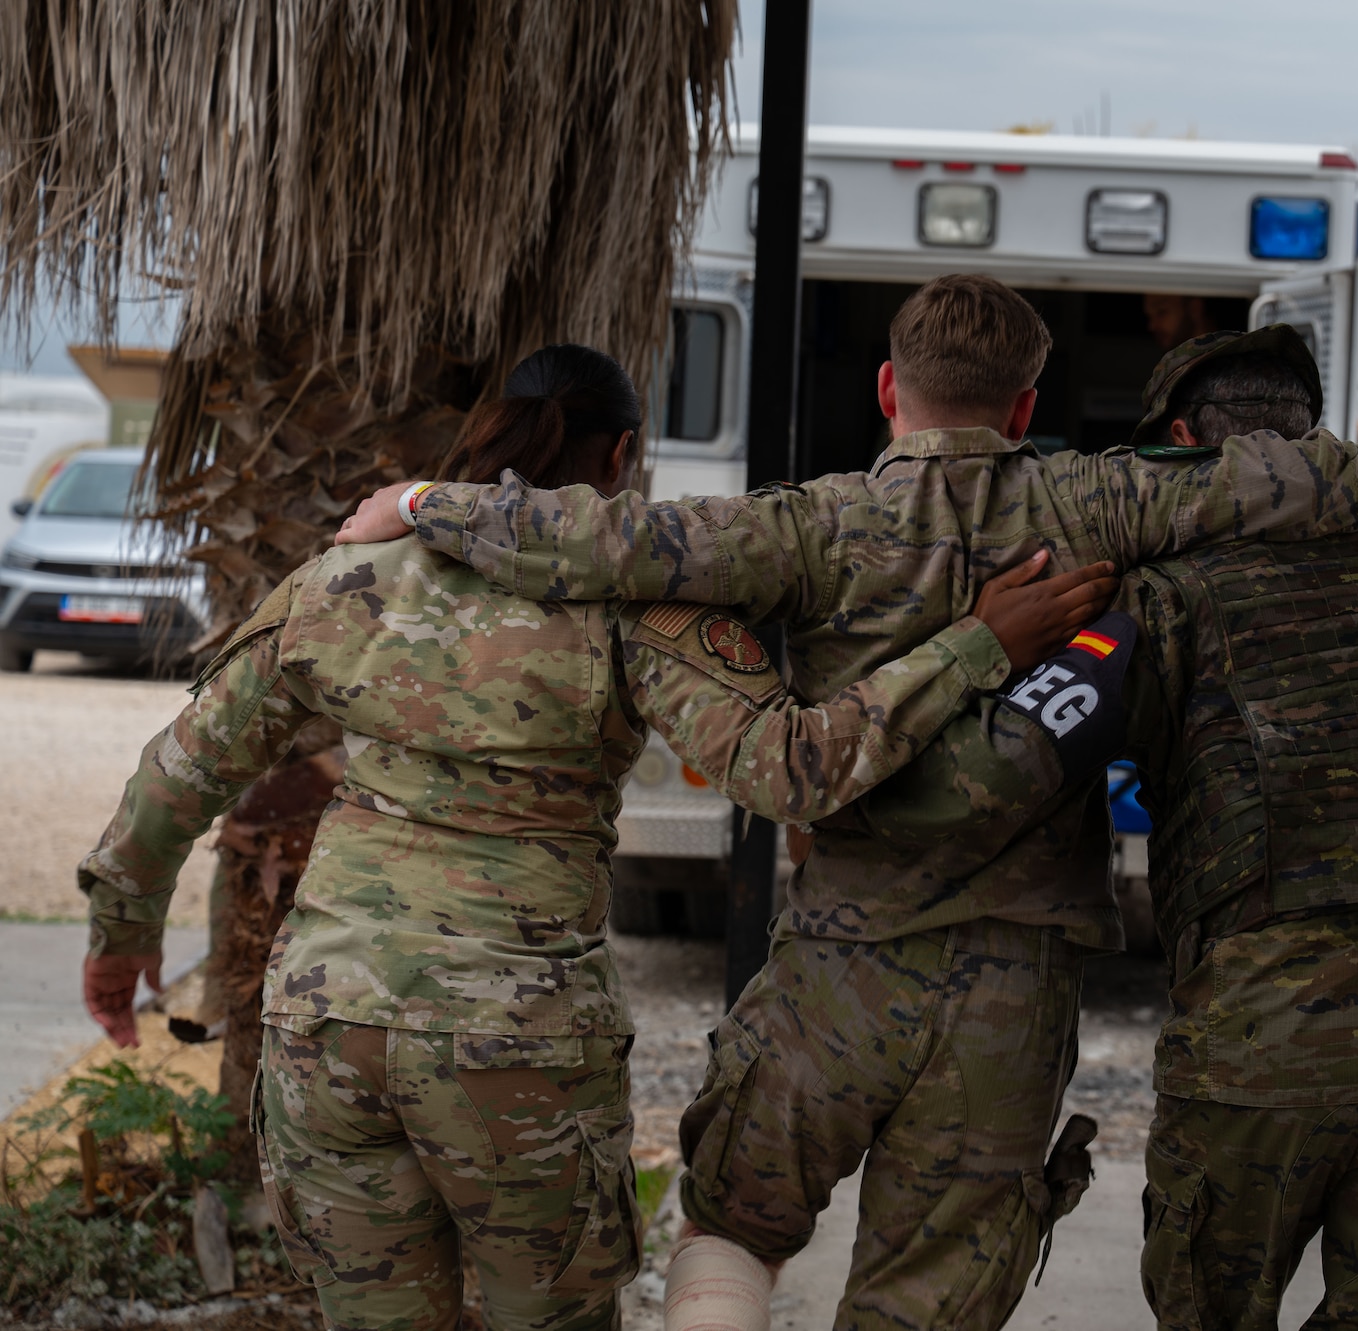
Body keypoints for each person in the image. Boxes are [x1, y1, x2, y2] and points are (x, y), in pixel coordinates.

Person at [334, 275, 1358, 1331]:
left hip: (839, 964)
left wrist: (428, 503)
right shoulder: (1097, 500)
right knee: (937, 1279)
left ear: (890, 390)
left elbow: (609, 543)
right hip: (1011, 987)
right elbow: (1281, 478)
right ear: (1026, 406)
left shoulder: (810, 528)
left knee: (734, 1219)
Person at [77, 343, 1113, 1331]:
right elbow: (794, 769)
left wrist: (121, 938)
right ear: (621, 455)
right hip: (516, 1042)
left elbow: (181, 771)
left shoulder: (341, 581)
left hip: (329, 1033)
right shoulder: (631, 604)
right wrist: (975, 643)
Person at [842, 326, 1358, 1329]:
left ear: (1181, 445)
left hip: (1265, 1041)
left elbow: (994, 774)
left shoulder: (1161, 593)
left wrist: (900, 716)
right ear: (1313, 435)